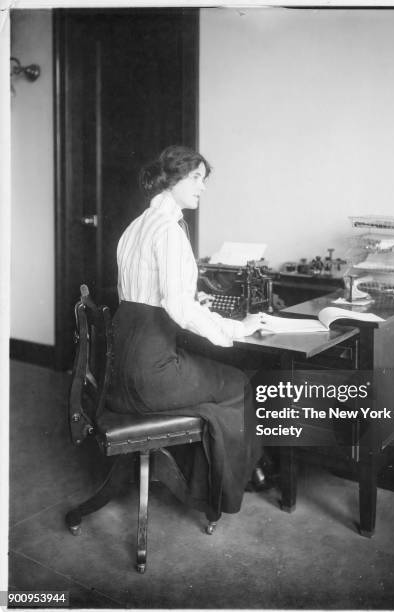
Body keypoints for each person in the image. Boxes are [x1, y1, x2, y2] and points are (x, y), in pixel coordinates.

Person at [107, 144, 265, 523]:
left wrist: (196, 303)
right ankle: (231, 483)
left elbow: (145, 298)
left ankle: (205, 477)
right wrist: (235, 328)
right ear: (171, 179)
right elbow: (177, 308)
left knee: (208, 382)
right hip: (152, 376)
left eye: (203, 179)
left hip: (121, 373)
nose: (202, 187)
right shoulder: (170, 231)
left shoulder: (135, 227)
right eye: (196, 178)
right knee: (238, 381)